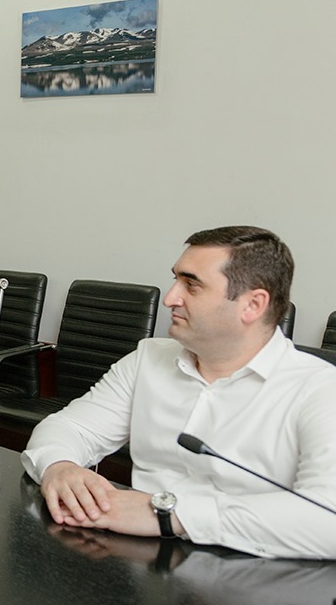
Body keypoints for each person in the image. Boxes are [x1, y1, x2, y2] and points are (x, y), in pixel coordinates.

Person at [22, 226, 336, 559]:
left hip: (256, 570)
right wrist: (61, 467)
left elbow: (328, 517)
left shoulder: (320, 389)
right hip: (140, 561)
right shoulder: (148, 359)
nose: (170, 298)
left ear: (252, 305)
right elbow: (69, 428)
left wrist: (169, 515)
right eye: (176, 280)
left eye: (192, 285)